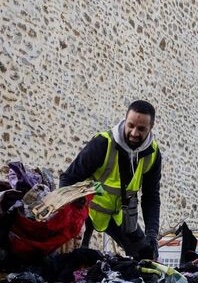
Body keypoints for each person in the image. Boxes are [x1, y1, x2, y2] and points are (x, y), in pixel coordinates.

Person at [60, 99, 161, 260]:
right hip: (88, 211)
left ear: (151, 127)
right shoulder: (103, 143)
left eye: (141, 129)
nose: (134, 133)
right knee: (74, 261)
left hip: (120, 215)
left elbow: (151, 197)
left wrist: (152, 234)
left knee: (146, 257)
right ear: (125, 120)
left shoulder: (153, 154)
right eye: (131, 125)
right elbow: (68, 178)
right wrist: (67, 218)